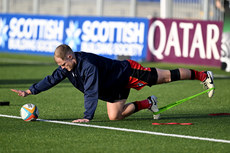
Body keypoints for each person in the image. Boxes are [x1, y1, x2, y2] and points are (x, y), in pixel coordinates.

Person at [11, 44, 215, 123]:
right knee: (114, 116)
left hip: (127, 73)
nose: (63, 68)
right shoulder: (67, 68)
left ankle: (203, 76)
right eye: (61, 66)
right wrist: (30, 91)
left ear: (71, 56)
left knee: (166, 77)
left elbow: (91, 92)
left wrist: (87, 117)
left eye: (64, 64)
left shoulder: (87, 65)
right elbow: (52, 79)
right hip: (113, 87)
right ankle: (148, 103)